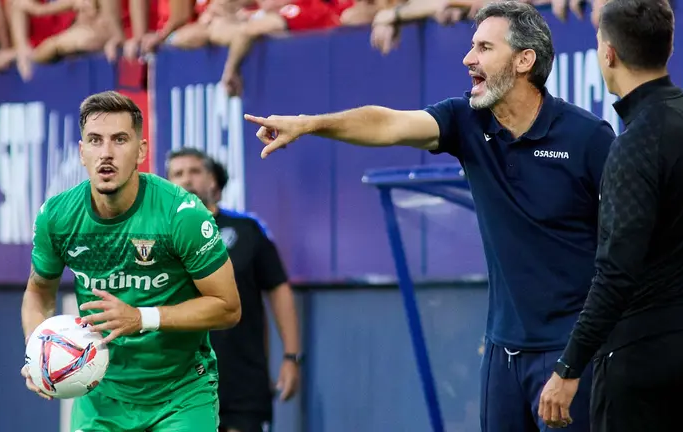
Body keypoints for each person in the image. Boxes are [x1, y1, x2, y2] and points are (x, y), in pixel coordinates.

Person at [244, 1, 616, 430]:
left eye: (483, 47)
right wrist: (310, 124)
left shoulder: (588, 137)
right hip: (501, 356)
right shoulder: (466, 120)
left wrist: (580, 359)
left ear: (524, 61)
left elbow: (622, 251)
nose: (467, 58)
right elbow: (387, 125)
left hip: (571, 354)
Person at [538, 1, 683, 430]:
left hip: (645, 359)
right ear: (669, 44)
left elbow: (616, 272)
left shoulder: (636, 143)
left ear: (608, 54)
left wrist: (569, 366)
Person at [20, 91, 242, 432]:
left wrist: (142, 318)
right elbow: (38, 292)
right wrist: (38, 352)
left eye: (119, 140)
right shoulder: (57, 217)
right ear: (82, 152)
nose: (106, 153)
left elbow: (228, 308)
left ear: (141, 150)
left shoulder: (181, 214)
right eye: (95, 140)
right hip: (101, 397)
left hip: (180, 396)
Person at [166, 148, 302, 432]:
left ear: (213, 180)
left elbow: (278, 290)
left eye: (194, 171)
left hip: (242, 382)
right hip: (180, 383)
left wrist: (291, 357)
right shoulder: (162, 240)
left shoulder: (248, 230)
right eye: (177, 174)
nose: (186, 180)